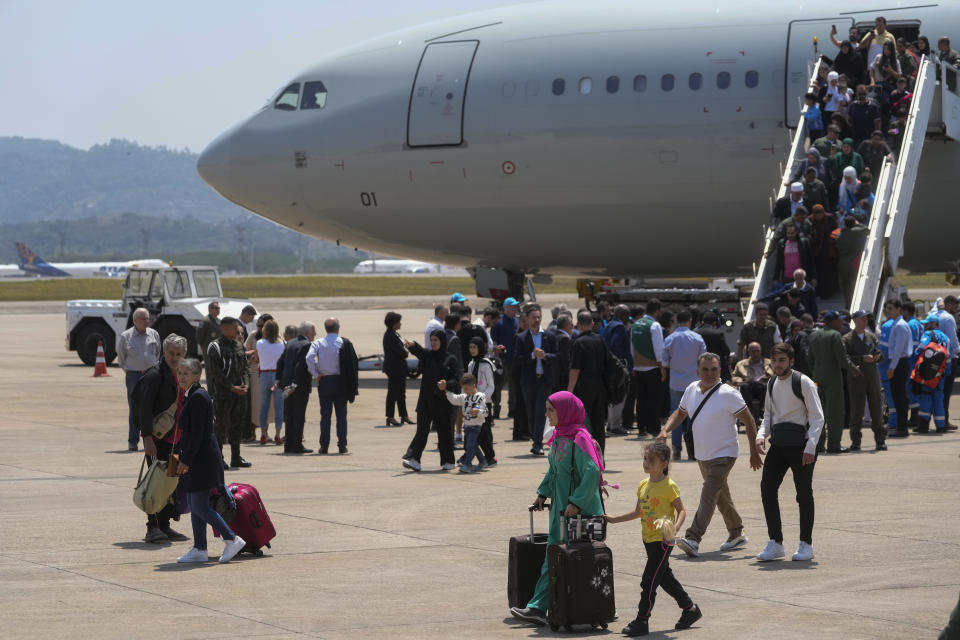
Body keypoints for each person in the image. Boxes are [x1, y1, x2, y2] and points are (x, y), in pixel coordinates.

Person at [509, 392, 605, 627]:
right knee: (559, 558)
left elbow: (593, 472)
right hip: (560, 510)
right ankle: (578, 606)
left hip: (577, 513)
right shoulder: (560, 438)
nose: (547, 415)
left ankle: (539, 607)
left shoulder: (579, 439)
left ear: (565, 411)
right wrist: (543, 494)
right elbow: (554, 471)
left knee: (566, 559)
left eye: (551, 410)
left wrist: (576, 502)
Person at [662, 353, 762, 559]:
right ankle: (736, 533)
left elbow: (750, 421)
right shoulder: (691, 390)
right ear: (698, 371)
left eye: (714, 369)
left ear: (720, 370)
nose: (710, 373)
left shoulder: (729, 393)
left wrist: (753, 451)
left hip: (724, 454)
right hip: (703, 455)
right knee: (720, 495)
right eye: (705, 370)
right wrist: (666, 430)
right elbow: (680, 413)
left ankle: (693, 538)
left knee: (708, 494)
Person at [604, 441, 702, 637]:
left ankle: (642, 620)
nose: (646, 463)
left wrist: (675, 527)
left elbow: (682, 510)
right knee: (665, 578)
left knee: (649, 581)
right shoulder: (643, 485)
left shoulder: (669, 486)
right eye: (645, 459)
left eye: (651, 460)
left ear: (664, 463)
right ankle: (690, 610)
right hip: (648, 540)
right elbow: (638, 512)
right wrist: (614, 520)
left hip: (663, 542)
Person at [755, 342, 825, 562]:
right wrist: (760, 435)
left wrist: (811, 447)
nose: (777, 365)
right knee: (767, 488)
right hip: (779, 444)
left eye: (782, 360)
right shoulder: (771, 383)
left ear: (791, 361)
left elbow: (817, 417)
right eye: (774, 360)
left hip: (802, 446)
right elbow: (768, 415)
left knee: (803, 494)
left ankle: (806, 544)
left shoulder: (803, 382)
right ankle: (775, 542)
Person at [173, 358, 246, 564]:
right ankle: (199, 548)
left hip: (202, 460)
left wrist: (185, 460)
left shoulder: (198, 397)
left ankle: (232, 539)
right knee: (195, 503)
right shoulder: (190, 396)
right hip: (197, 458)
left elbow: (197, 434)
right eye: (180, 373)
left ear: (197, 376)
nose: (181, 377)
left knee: (199, 507)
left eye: (186, 373)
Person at [136, 333, 189, 544]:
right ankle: (152, 526)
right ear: (163, 353)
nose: (174, 357)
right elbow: (143, 409)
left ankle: (165, 525)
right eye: (170, 353)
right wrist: (146, 438)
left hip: (176, 439)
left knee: (169, 484)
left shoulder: (183, 374)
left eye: (178, 354)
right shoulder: (155, 375)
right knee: (155, 483)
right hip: (158, 440)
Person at [401, 329, 461, 472]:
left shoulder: (450, 359)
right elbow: (420, 351)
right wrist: (412, 345)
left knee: (445, 433)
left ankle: (448, 461)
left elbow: (456, 379)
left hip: (442, 403)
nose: (433, 343)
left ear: (442, 341)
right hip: (426, 402)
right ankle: (413, 459)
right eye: (431, 340)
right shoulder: (428, 356)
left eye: (436, 340)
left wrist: (447, 384)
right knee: (422, 431)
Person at [808, 311, 861, 453]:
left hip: (817, 377)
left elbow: (809, 358)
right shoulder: (835, 335)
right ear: (832, 322)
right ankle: (834, 445)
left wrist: (815, 371)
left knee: (818, 412)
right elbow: (842, 358)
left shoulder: (814, 335)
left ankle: (818, 444)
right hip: (833, 377)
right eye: (839, 320)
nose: (842, 323)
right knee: (835, 412)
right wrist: (854, 369)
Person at [306, 318, 358, 455]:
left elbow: (309, 358)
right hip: (340, 382)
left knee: (325, 416)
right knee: (341, 416)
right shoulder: (344, 343)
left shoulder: (319, 343)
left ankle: (324, 446)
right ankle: (342, 445)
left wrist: (316, 373)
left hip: (325, 382)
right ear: (338, 328)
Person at [206, 317, 251, 469]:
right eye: (235, 328)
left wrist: (245, 385)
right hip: (223, 396)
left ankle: (236, 457)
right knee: (220, 428)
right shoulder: (215, 347)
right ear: (225, 329)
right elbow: (215, 373)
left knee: (237, 427)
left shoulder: (238, 346)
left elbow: (244, 367)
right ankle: (219, 458)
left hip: (239, 395)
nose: (239, 331)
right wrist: (232, 387)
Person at [662, 309, 707, 460]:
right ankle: (692, 450)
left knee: (675, 416)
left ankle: (676, 449)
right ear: (690, 321)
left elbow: (665, 363)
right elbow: (704, 361)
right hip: (694, 382)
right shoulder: (697, 338)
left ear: (676, 321)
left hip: (675, 382)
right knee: (692, 416)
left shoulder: (670, 339)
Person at [515, 305, 557, 455]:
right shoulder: (521, 338)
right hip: (529, 381)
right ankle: (535, 439)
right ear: (527, 319)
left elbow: (557, 356)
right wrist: (532, 356)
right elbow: (517, 360)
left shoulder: (549, 336)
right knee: (531, 412)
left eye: (538, 317)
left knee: (540, 411)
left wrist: (545, 356)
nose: (536, 320)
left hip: (544, 381)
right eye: (534, 317)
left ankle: (537, 443)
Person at [843, 310, 887, 450]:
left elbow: (879, 353)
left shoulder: (871, 336)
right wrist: (861, 358)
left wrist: (877, 355)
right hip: (857, 376)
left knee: (877, 408)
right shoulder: (847, 339)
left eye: (866, 319)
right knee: (856, 410)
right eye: (862, 319)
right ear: (855, 320)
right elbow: (845, 358)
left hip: (872, 376)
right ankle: (855, 441)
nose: (865, 321)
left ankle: (880, 440)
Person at [118, 307, 161, 451]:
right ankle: (133, 441)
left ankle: (155, 438)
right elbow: (121, 357)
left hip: (151, 375)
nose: (147, 321)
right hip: (133, 376)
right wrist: (130, 370)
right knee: (135, 408)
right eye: (143, 319)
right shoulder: (126, 336)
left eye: (148, 318)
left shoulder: (154, 334)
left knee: (153, 406)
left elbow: (157, 353)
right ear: (135, 320)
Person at [569, 309, 611, 452]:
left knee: (584, 425)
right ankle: (600, 458)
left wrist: (569, 391)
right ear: (592, 324)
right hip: (600, 388)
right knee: (599, 425)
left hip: (583, 389)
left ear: (578, 324)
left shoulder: (578, 343)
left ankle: (588, 455)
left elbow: (575, 370)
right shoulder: (600, 340)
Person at [277, 321, 315, 454]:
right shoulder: (306, 345)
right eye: (313, 331)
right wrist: (294, 384)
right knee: (298, 416)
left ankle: (288, 445)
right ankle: (297, 445)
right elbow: (300, 366)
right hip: (298, 387)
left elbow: (280, 362)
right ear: (306, 333)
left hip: (287, 385)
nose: (315, 334)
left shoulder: (291, 342)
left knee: (289, 416)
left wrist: (278, 380)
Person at [440, 374, 488, 473]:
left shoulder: (480, 397)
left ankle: (468, 465)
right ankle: (483, 461)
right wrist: (446, 390)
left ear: (473, 386)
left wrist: (478, 411)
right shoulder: (464, 397)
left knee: (470, 446)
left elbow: (485, 411)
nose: (465, 391)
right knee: (473, 446)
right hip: (466, 427)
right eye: (463, 389)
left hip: (476, 426)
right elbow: (454, 399)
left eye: (466, 388)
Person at [913, 313, 952, 434]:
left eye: (928, 323)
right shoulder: (946, 338)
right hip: (941, 374)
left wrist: (916, 359)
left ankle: (923, 426)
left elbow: (920, 348)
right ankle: (941, 426)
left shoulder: (928, 334)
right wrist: (947, 372)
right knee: (939, 398)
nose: (925, 326)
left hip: (927, 373)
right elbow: (948, 357)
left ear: (934, 324)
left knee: (926, 397)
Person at [630, 300, 665, 437]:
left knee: (641, 400)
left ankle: (641, 428)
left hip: (638, 367)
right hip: (652, 368)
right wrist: (661, 367)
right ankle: (654, 428)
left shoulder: (636, 324)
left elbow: (631, 347)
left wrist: (635, 363)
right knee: (653, 400)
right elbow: (658, 348)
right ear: (657, 311)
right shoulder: (655, 325)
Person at [465, 336, 497, 465]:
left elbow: (491, 386)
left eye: (475, 347)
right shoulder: (471, 364)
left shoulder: (486, 364)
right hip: (472, 402)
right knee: (472, 430)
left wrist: (481, 400)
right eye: (470, 347)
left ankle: (490, 456)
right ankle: (469, 456)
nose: (472, 350)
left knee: (484, 431)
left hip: (484, 403)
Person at [884, 300, 914, 438]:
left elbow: (898, 349)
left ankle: (902, 428)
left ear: (898, 309)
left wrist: (892, 367)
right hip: (898, 362)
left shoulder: (901, 326)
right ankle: (901, 427)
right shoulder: (897, 324)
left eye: (890, 308)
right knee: (898, 396)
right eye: (887, 308)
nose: (888, 310)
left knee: (899, 396)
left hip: (899, 362)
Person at [255, 319, 285, 445]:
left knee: (264, 406)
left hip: (264, 374)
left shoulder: (260, 343)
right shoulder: (283, 343)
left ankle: (263, 433)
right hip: (278, 375)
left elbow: (257, 358)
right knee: (279, 406)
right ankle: (278, 434)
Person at [604, 304, 633, 434]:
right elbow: (616, 345)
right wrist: (623, 361)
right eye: (627, 314)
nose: (628, 317)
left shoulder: (609, 325)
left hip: (610, 366)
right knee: (619, 395)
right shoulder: (619, 327)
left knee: (613, 395)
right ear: (622, 315)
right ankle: (615, 425)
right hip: (619, 367)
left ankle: (612, 424)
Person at [491, 297, 519, 420]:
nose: (514, 309)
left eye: (515, 306)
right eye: (512, 306)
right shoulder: (499, 323)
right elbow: (494, 342)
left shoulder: (517, 321)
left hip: (514, 360)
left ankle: (512, 410)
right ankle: (496, 410)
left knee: (513, 387)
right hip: (502, 361)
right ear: (506, 307)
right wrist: (497, 358)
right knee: (498, 386)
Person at [383, 312, 413, 427]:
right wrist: (405, 351)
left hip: (399, 368)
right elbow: (401, 352)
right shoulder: (390, 336)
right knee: (393, 393)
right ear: (394, 323)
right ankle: (390, 416)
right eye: (399, 321)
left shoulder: (395, 334)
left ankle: (404, 415)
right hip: (394, 368)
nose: (401, 323)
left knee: (401, 393)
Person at [732, 342, 774, 423]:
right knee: (744, 386)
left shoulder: (769, 363)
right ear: (749, 352)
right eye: (753, 351)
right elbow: (733, 376)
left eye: (758, 351)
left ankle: (762, 412)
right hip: (748, 387)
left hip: (763, 387)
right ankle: (749, 413)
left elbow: (776, 375)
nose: (756, 353)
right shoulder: (741, 364)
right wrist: (738, 379)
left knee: (766, 386)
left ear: (761, 351)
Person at [836, 215, 870, 309]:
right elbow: (867, 229)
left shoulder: (841, 233)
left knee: (845, 285)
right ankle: (853, 303)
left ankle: (847, 303)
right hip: (853, 262)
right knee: (853, 285)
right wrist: (858, 224)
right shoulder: (855, 231)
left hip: (842, 262)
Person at [937, 295, 960, 429]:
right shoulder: (949, 318)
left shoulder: (936, 315)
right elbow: (953, 341)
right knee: (946, 391)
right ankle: (944, 420)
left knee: (938, 391)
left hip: (935, 357)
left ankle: (939, 419)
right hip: (949, 359)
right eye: (956, 307)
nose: (957, 310)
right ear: (950, 305)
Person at [695, 311, 731, 382]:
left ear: (703, 321)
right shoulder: (718, 333)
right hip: (716, 368)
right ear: (714, 322)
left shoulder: (694, 333)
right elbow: (726, 351)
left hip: (701, 367)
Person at [552, 314, 574, 393]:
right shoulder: (564, 339)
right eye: (571, 324)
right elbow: (566, 361)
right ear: (566, 325)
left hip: (553, 378)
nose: (573, 326)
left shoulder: (554, 335)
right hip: (561, 380)